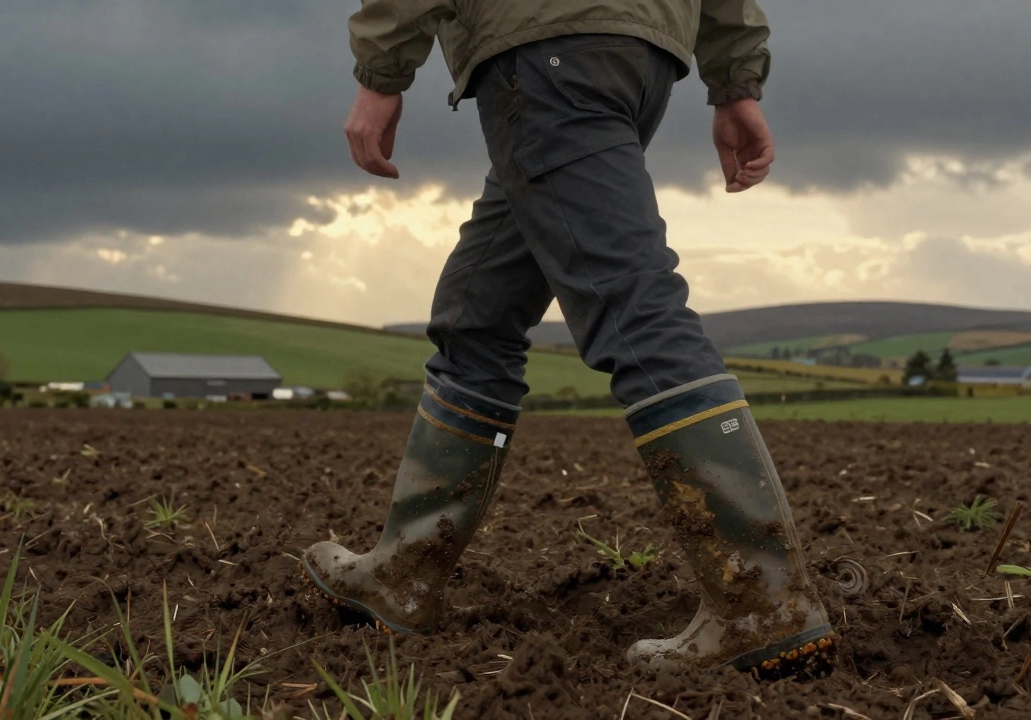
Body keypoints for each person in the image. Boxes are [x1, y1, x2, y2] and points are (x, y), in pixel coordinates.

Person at [302, 0, 838, 681]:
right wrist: (734, 80)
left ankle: (761, 600)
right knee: (479, 315)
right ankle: (404, 574)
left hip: (546, 56)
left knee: (636, 310)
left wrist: (380, 75)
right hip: (637, 59)